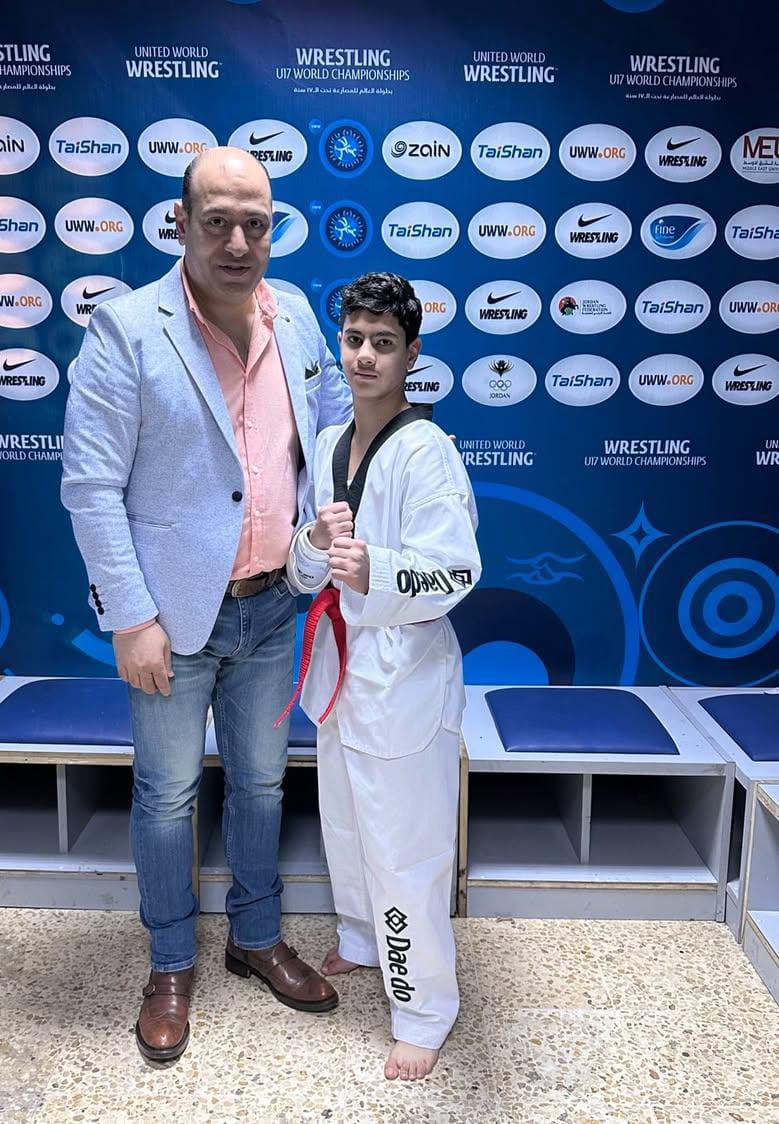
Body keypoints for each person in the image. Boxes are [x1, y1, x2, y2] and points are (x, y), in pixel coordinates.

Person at [61, 147, 352, 1062]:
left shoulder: (295, 315)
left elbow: (328, 439)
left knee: (263, 784)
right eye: (217, 221)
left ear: (272, 229)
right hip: (170, 619)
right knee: (166, 797)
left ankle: (255, 938)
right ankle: (171, 964)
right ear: (179, 223)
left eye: (254, 224)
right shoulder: (125, 328)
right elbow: (90, 487)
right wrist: (131, 619)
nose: (236, 242)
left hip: (274, 607)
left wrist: (326, 540)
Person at [284, 272, 481, 1081]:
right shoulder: (330, 441)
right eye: (354, 340)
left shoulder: (427, 450)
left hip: (403, 673)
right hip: (341, 668)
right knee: (346, 824)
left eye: (383, 343)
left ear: (411, 355)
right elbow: (302, 572)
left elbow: (458, 570)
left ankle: (425, 1010)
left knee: (405, 848)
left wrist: (380, 569)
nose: (364, 356)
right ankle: (363, 938)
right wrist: (310, 547)